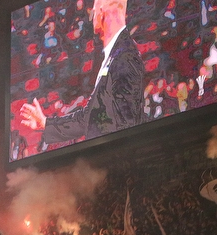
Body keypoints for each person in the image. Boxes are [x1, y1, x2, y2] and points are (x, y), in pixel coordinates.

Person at [19, 0, 144, 146]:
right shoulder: (115, 54)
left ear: (103, 12)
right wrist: (46, 123)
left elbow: (128, 124)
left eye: (95, 10)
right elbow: (88, 117)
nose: (92, 16)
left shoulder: (125, 56)